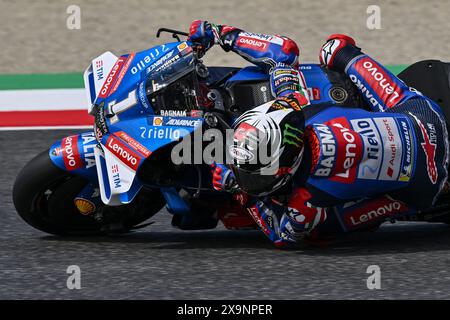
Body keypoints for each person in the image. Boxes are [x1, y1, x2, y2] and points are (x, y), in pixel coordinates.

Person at [188, 20, 450, 247]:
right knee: (335, 48)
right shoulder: (294, 103)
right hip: (423, 119)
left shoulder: (304, 199)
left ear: (285, 170)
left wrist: (240, 190)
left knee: (326, 228)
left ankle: (410, 205)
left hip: (426, 184)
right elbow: (285, 50)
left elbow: (284, 236)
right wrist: (221, 33)